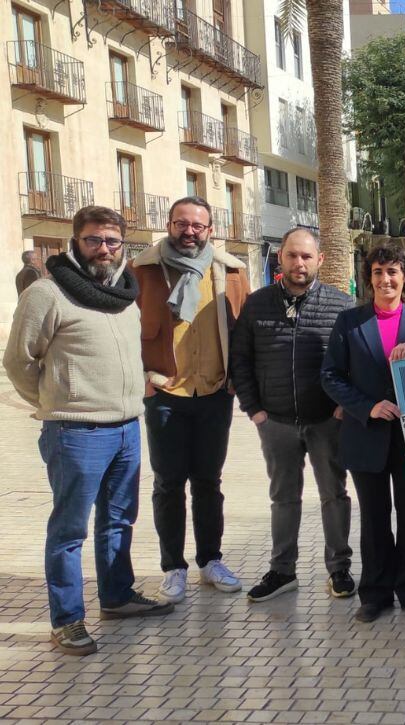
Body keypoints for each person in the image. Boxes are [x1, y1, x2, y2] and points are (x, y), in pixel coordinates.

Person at [4, 206, 174, 655]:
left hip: (126, 429)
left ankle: (116, 596)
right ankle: (67, 620)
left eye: (112, 241)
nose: (104, 249)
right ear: (75, 243)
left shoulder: (123, 294)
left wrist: (142, 384)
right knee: (69, 530)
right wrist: (54, 403)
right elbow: (18, 361)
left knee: (119, 520)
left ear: (123, 245)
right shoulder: (47, 293)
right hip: (75, 433)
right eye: (94, 240)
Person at [230, 228, 357, 603]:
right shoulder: (257, 304)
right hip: (277, 423)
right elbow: (241, 360)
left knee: (334, 494)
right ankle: (282, 571)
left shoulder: (342, 305)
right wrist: (255, 412)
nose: (299, 263)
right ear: (280, 259)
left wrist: (341, 409)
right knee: (283, 498)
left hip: (326, 421)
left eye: (306, 256)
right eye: (291, 256)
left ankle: (340, 570)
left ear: (319, 260)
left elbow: (354, 363)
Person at [133, 196, 250, 604]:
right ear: (169, 224)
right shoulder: (143, 270)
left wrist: (238, 379)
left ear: (210, 229)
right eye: (181, 223)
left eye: (197, 225)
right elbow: (125, 328)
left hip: (213, 392)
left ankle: (210, 560)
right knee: (168, 484)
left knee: (208, 482)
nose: (189, 232)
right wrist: (144, 379)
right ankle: (173, 568)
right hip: (165, 392)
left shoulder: (230, 271)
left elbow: (244, 331)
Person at [321, 243, 405, 624]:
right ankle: (375, 594)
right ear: (369, 279)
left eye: (392, 272)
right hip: (365, 436)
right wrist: (367, 407)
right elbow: (330, 376)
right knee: (374, 519)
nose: (385, 279)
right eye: (377, 273)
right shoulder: (349, 323)